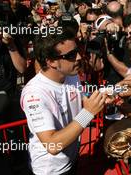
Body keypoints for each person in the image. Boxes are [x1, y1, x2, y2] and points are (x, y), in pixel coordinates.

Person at [20, 31, 106, 175]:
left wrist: (98, 98)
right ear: (51, 61)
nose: (78, 57)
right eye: (71, 55)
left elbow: (81, 97)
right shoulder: (34, 94)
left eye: (77, 51)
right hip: (51, 170)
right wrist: (88, 113)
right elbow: (52, 145)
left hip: (71, 159)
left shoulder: (71, 74)